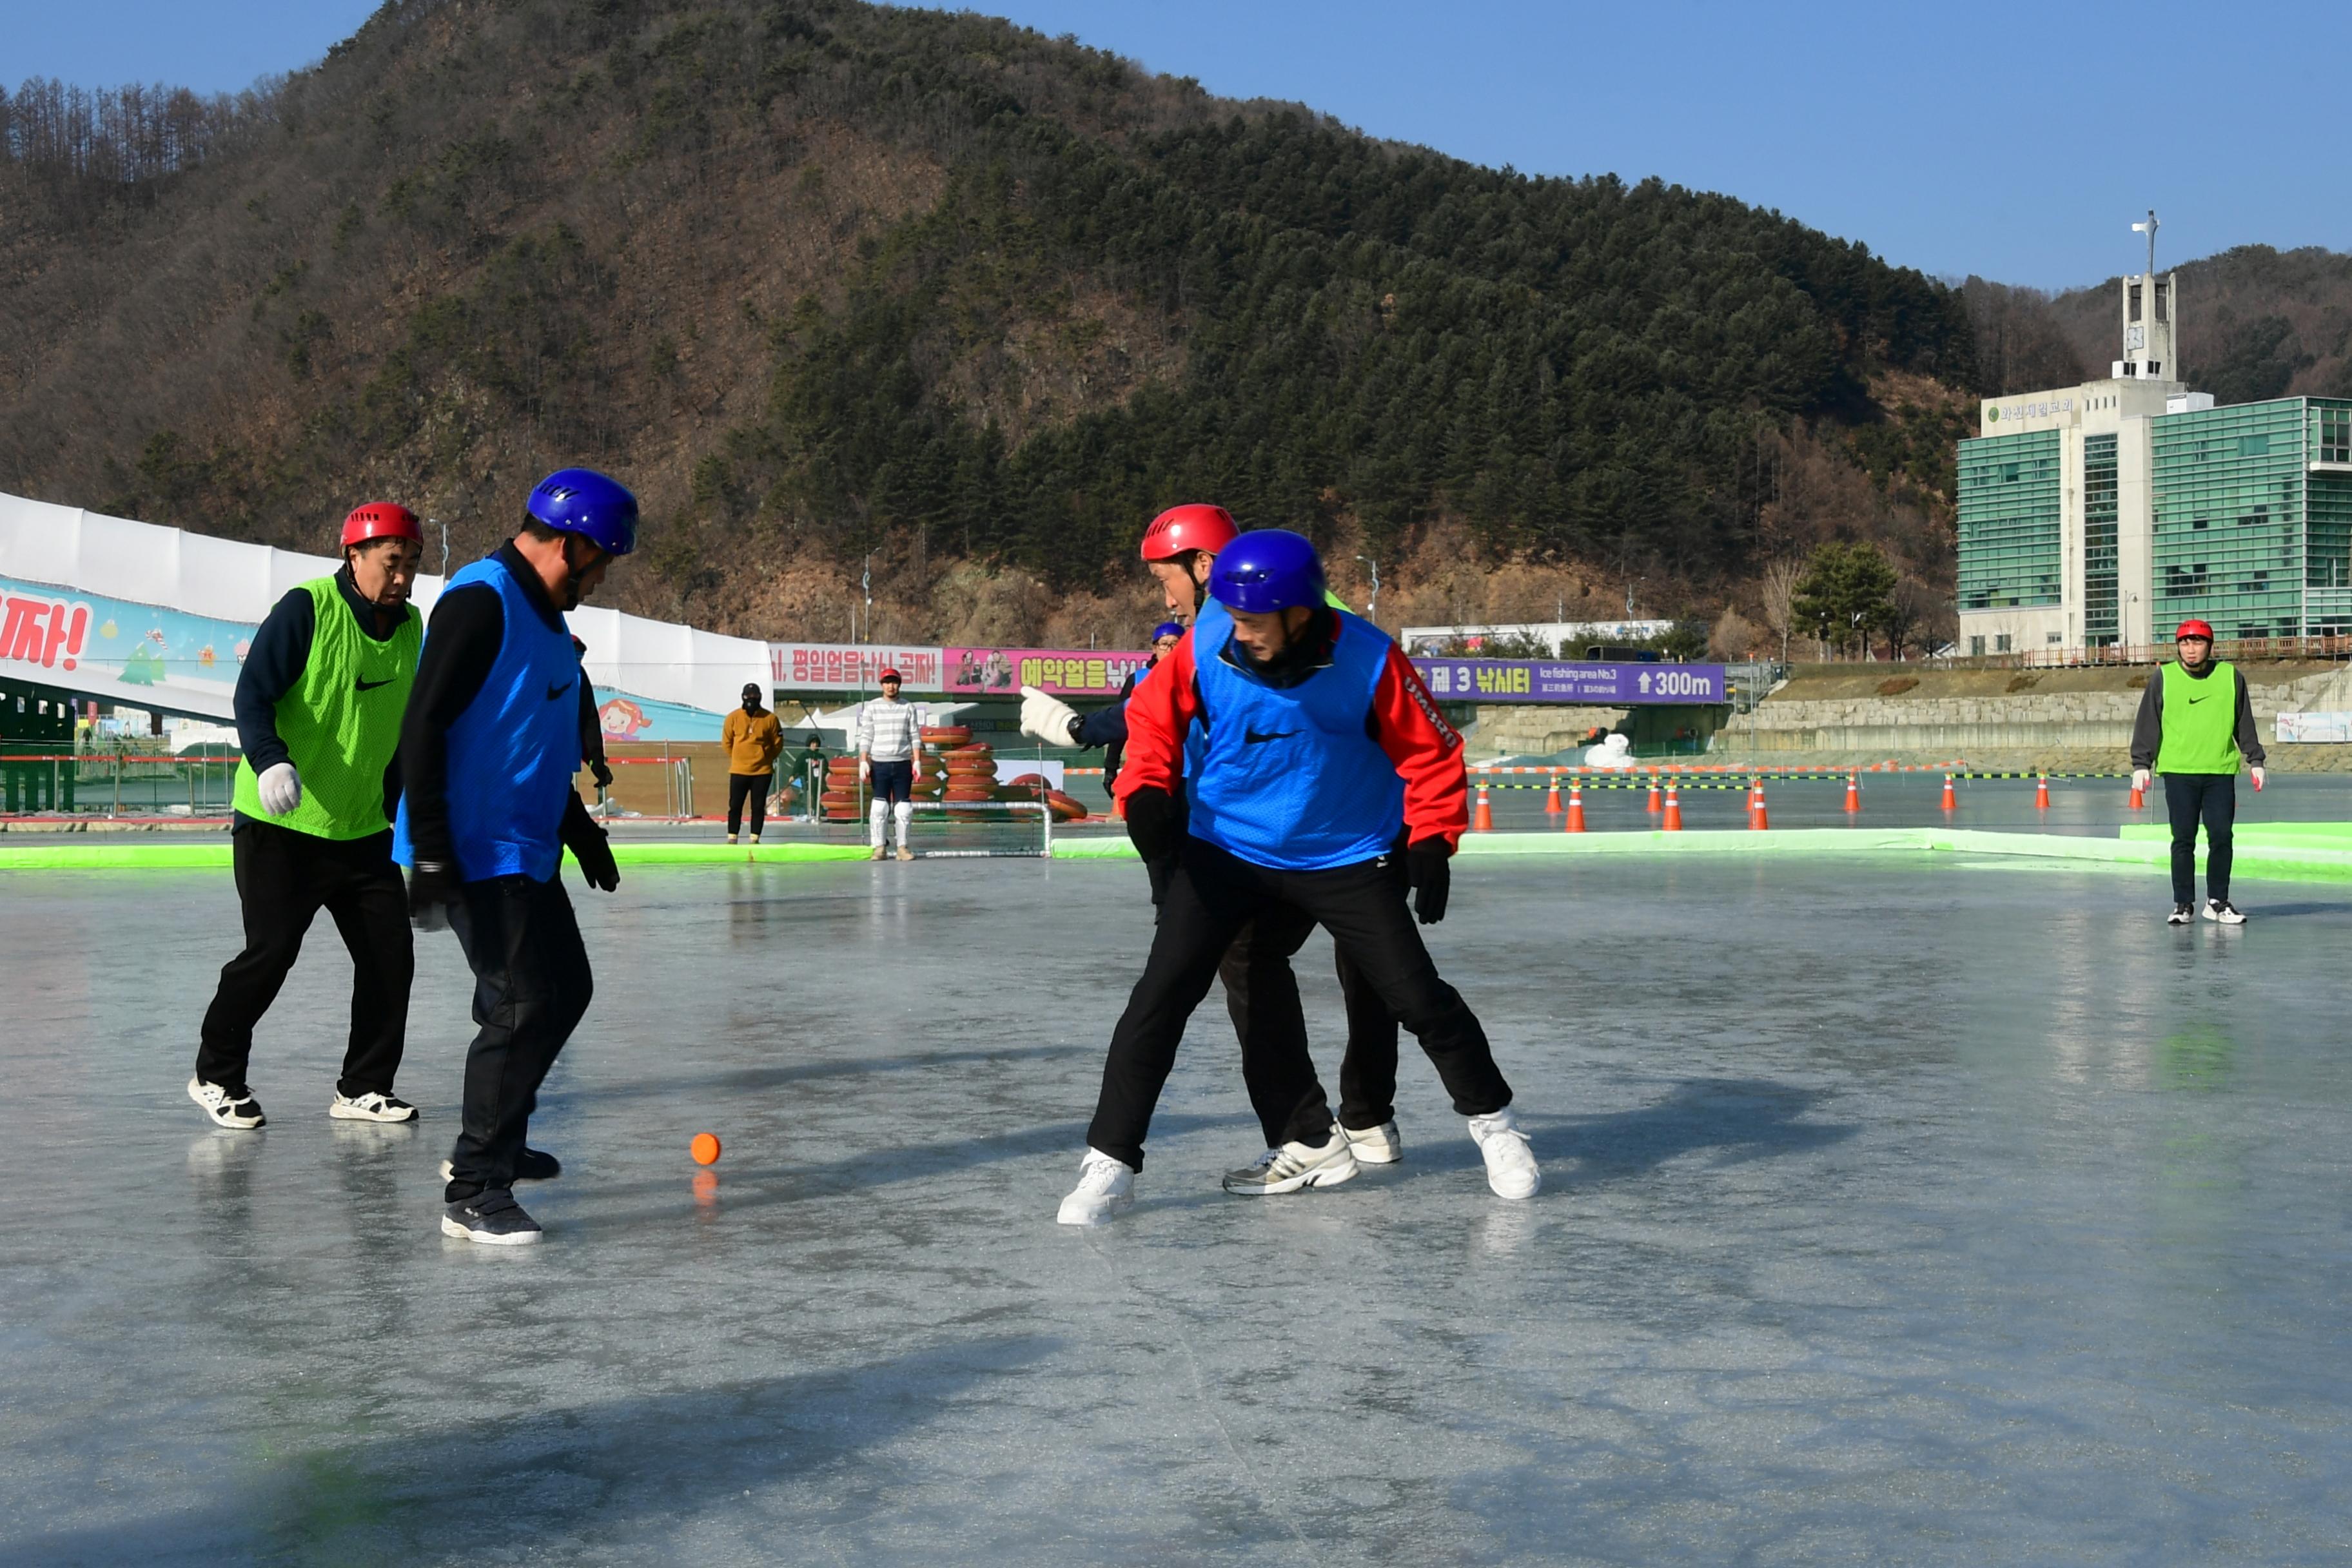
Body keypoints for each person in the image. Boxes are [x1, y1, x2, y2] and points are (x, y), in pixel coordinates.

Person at [1058, 530, 1538, 1225]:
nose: (1240, 632)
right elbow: (1151, 722)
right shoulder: (1207, 644)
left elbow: (1432, 751)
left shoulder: (1369, 657)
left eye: (1255, 621)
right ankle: (1111, 1163)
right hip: (1228, 848)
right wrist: (1148, 792)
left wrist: (1433, 835)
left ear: (1300, 614)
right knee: (1159, 998)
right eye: (1234, 617)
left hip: (1344, 853)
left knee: (1417, 995)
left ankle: (1496, 1127)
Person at [1021, 504, 1407, 1170]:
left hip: (1352, 822)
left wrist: (1086, 729)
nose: (1162, 593)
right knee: (1260, 957)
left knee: (1365, 964)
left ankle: (1350, 1120)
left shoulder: (1278, 613)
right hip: (1264, 831)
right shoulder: (1232, 615)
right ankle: (1329, 1124)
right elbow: (1167, 703)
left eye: (1163, 575)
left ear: (1203, 565)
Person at [395, 468, 631, 1244]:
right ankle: (474, 1187)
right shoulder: (482, 599)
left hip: (526, 846)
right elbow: (423, 725)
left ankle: (501, 1133)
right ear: (573, 547)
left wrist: (581, 831)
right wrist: (429, 850)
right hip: (472, 848)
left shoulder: (550, 624)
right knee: (521, 1000)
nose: (597, 584)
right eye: (600, 567)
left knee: (564, 989)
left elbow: (532, 746)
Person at [190, 503, 426, 1130]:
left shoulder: (411, 628)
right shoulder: (308, 608)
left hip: (361, 827)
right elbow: (252, 693)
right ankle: (216, 1074)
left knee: (389, 954)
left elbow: (400, 732)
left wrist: (406, 819)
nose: (402, 578)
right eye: (391, 563)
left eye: (412, 565)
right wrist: (269, 760)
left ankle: (365, 1085)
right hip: (279, 823)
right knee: (270, 952)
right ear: (355, 556)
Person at [2131, 617, 2266, 925]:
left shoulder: (2230, 676)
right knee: (2183, 839)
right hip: (2179, 771)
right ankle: (2183, 904)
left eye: (2198, 642)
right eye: (2185, 643)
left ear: (2210, 646)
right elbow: (2148, 722)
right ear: (2178, 647)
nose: (2191, 649)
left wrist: (2255, 759)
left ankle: (2218, 901)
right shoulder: (2163, 677)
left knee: (2221, 836)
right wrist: (2141, 763)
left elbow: (2244, 721)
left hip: (2219, 770)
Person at [856, 668, 923, 862]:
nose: (890, 686)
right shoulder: (872, 707)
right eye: (887, 682)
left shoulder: (908, 707)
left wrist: (917, 760)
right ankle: (879, 848)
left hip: (902, 764)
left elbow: (915, 736)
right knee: (879, 807)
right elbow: (866, 735)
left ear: (899, 684)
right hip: (880, 764)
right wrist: (863, 761)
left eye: (894, 682)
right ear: (881, 685)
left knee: (904, 809)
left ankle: (902, 848)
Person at [720, 681, 784, 845]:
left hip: (762, 772)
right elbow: (727, 743)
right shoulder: (733, 718)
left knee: (757, 807)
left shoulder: (770, 719)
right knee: (735, 805)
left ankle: (755, 838)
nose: (751, 699)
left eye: (755, 696)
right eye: (748, 696)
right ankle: (732, 837)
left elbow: (778, 744)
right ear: (743, 697)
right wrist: (738, 757)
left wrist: (765, 758)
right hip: (739, 770)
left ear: (760, 697)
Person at [572, 634, 614, 804]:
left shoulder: (578, 676)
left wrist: (596, 761)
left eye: (580, 657)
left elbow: (588, 720)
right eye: (575, 656)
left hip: (555, 761)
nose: (578, 661)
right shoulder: (574, 675)